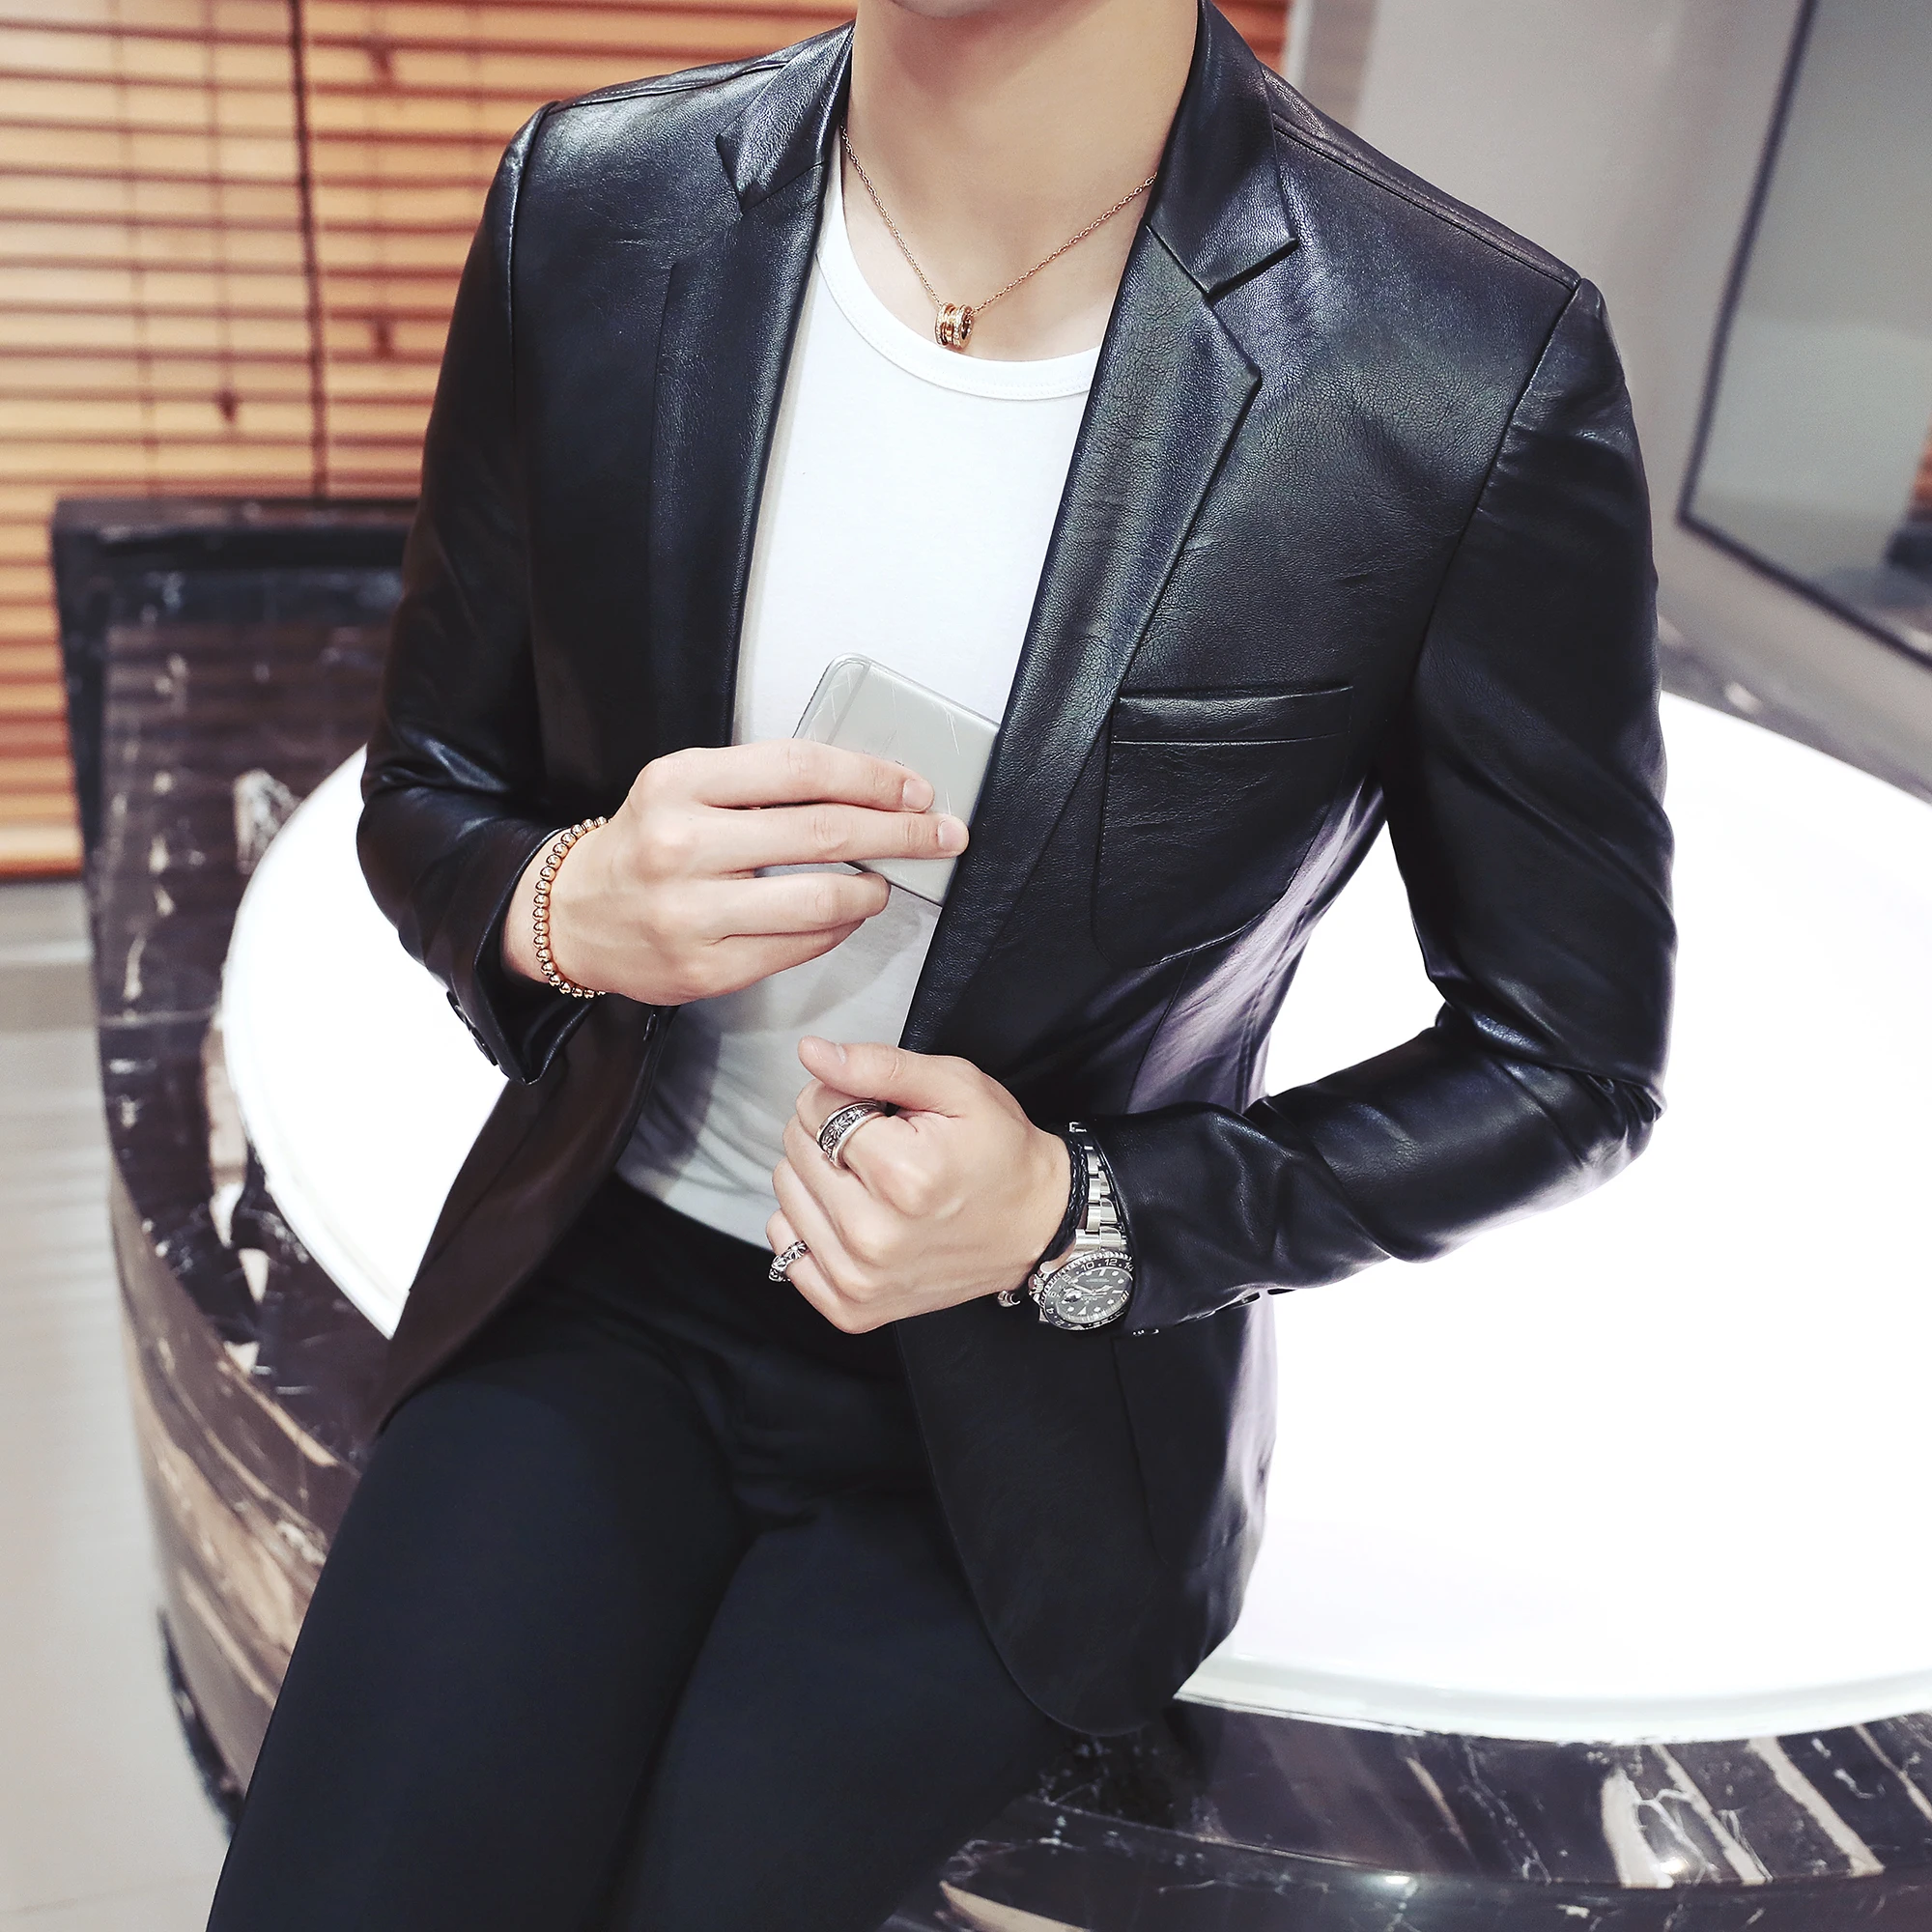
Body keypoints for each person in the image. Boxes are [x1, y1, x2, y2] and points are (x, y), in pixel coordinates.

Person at [205, 0, 1674, 1923]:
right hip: (605, 1279)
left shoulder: (1454, 362)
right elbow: (428, 787)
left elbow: (1571, 1058)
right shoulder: (598, 206)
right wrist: (567, 898)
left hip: (1033, 1431)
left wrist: (1078, 1208)